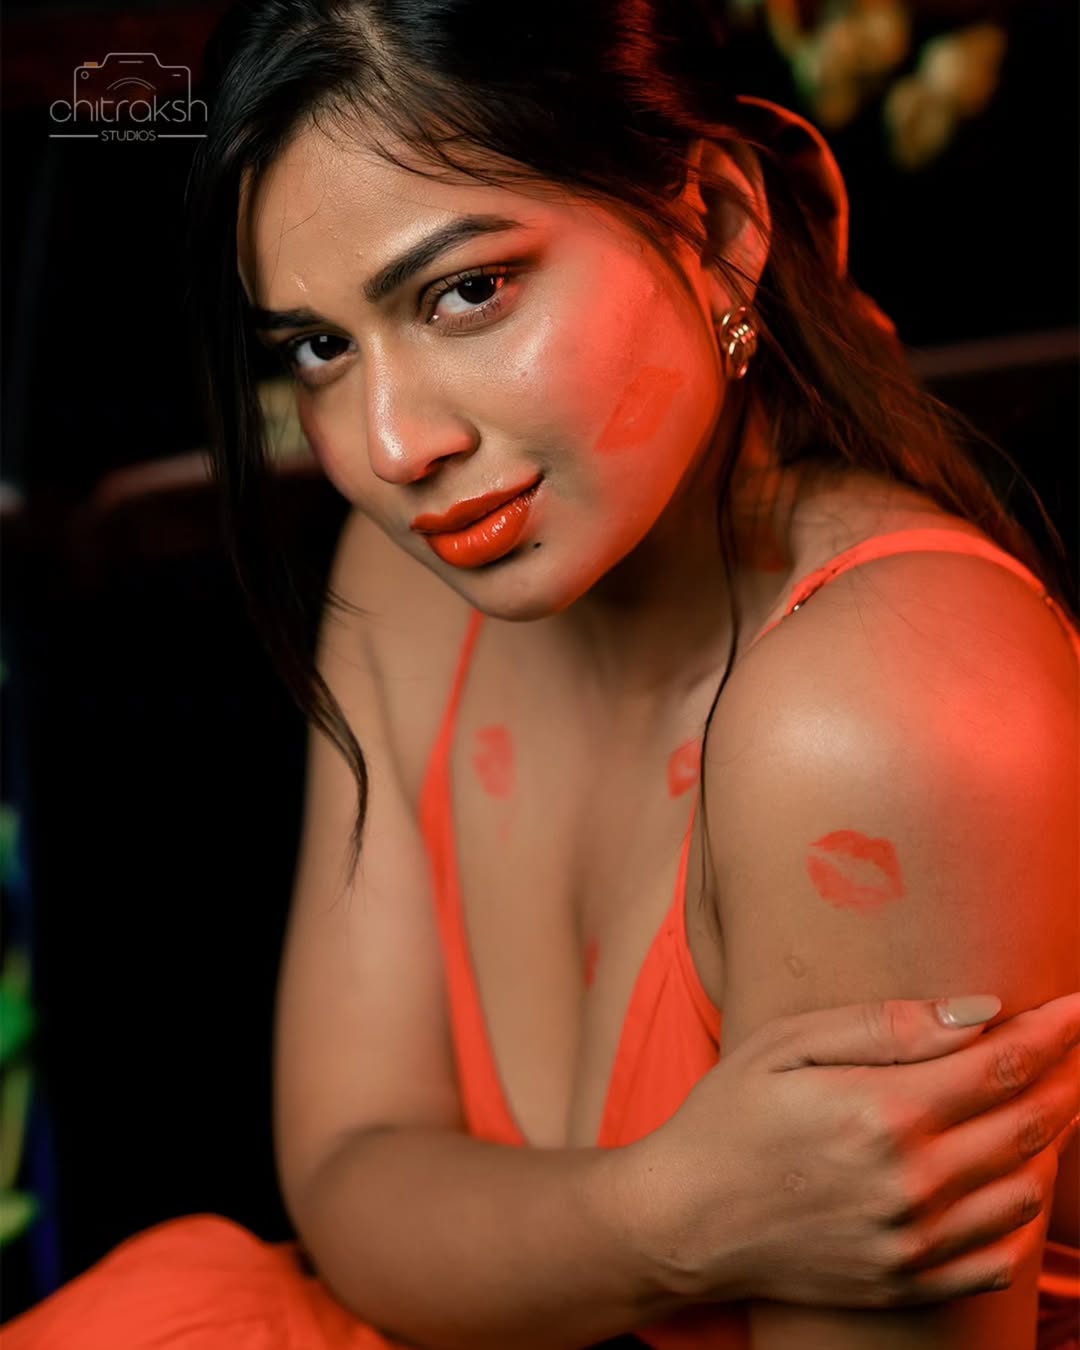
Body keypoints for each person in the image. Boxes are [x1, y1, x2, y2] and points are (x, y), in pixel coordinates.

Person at [6, 1, 1079, 1347]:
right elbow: (352, 1177)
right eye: (320, 347)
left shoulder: (879, 715)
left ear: (719, 226)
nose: (391, 445)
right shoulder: (401, 582)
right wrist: (669, 1215)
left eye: (467, 291)